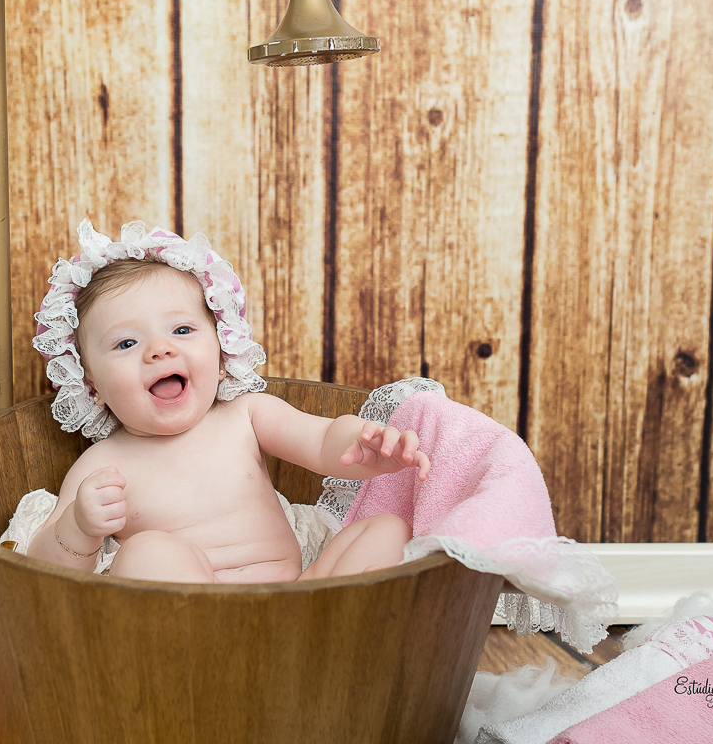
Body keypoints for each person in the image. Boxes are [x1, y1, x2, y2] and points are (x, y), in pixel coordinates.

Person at [25, 221, 425, 583]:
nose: (160, 350)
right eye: (126, 342)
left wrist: (362, 443)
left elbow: (320, 440)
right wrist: (78, 527)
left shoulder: (245, 414)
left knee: (388, 529)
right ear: (91, 385)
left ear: (222, 356)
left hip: (298, 599)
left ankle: (324, 634)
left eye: (182, 329)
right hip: (203, 619)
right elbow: (44, 567)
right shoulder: (102, 464)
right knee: (147, 553)